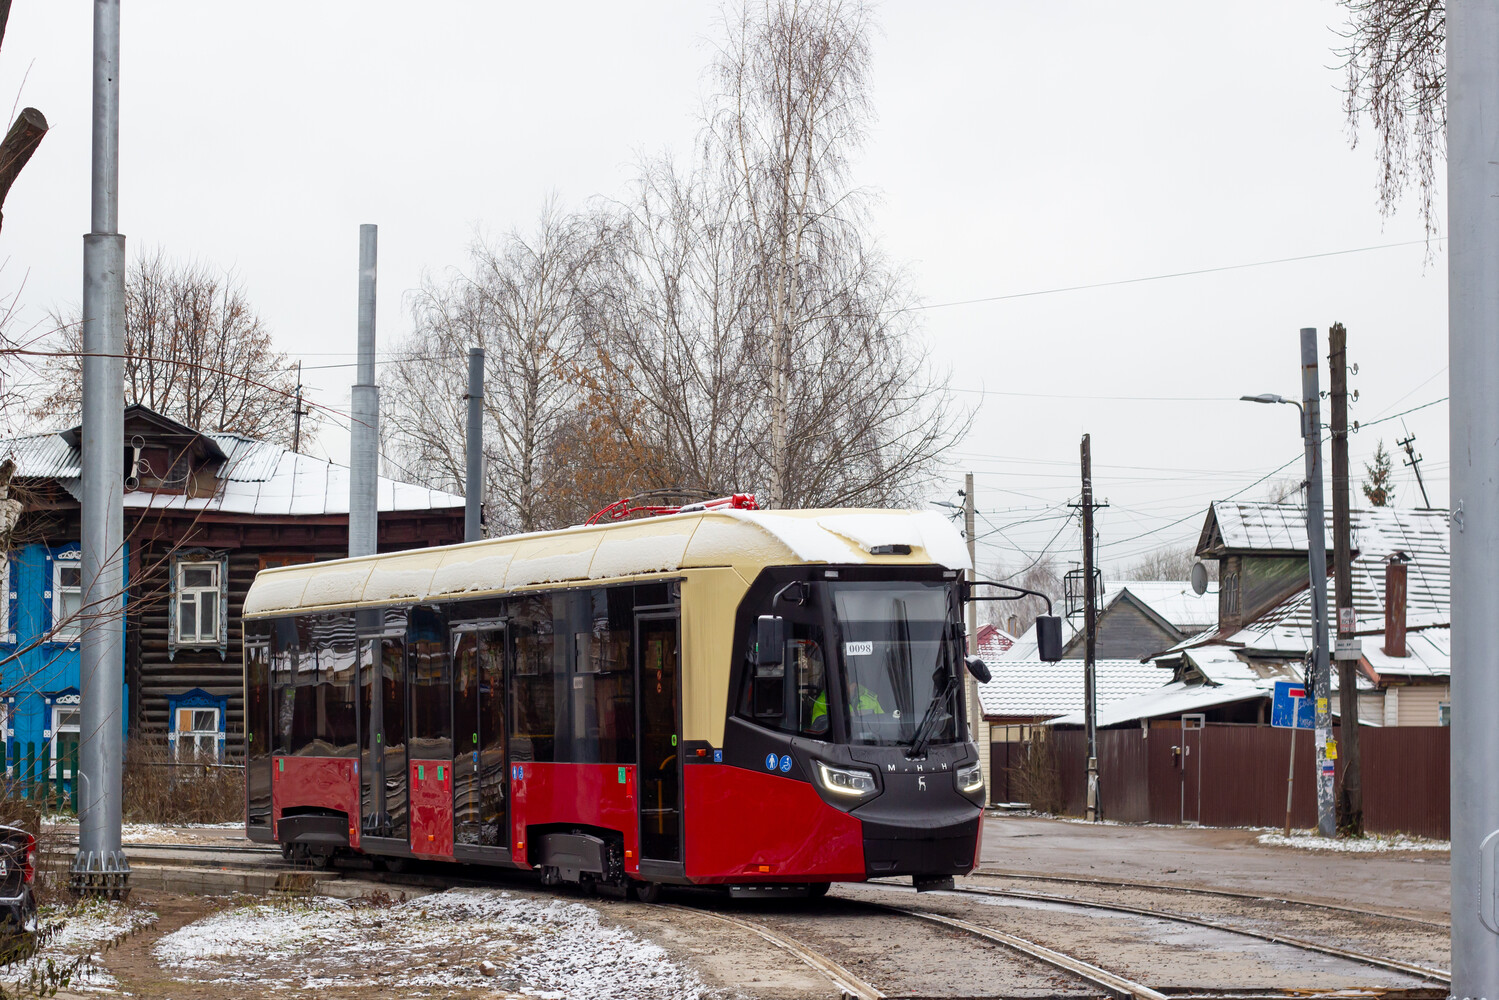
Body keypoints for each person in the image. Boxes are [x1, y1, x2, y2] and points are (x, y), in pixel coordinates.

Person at [810, 676, 883, 731]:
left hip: (872, 740)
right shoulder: (823, 702)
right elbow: (819, 727)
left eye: (845, 683)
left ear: (855, 685)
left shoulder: (870, 699)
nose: (841, 687)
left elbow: (883, 723)